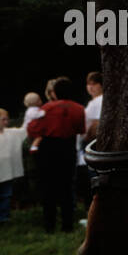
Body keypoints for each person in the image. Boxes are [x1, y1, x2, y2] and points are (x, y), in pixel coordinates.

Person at [27, 77, 85, 233]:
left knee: (48, 188)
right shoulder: (79, 109)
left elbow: (32, 129)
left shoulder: (46, 109)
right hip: (68, 148)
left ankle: (49, 225)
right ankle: (67, 225)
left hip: (49, 149)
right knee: (67, 187)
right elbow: (81, 129)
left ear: (55, 93)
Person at [76, 72, 104, 211]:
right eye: (89, 84)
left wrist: (87, 138)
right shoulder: (93, 101)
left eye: (94, 84)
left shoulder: (100, 100)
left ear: (101, 85)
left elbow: (96, 123)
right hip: (87, 142)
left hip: (92, 143)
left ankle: (95, 208)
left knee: (94, 177)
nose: (91, 87)